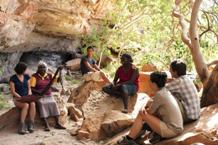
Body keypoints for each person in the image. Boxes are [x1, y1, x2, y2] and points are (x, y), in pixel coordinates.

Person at [117, 71, 183, 145]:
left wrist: (143, 107)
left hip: (171, 130)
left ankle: (129, 139)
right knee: (145, 118)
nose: (149, 84)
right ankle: (133, 136)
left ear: (154, 84)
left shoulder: (159, 95)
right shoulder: (164, 91)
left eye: (150, 82)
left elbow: (149, 112)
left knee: (141, 113)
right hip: (177, 128)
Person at [30, 61, 66, 131]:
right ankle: (46, 125)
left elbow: (58, 80)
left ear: (46, 68)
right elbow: (31, 88)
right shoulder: (34, 77)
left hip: (49, 95)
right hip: (39, 96)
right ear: (38, 69)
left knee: (53, 103)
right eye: (40, 68)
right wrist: (38, 92)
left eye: (44, 67)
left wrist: (60, 71)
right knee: (42, 104)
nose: (42, 69)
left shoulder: (49, 75)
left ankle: (57, 124)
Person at [9, 62, 36, 134]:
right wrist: (20, 97)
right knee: (26, 105)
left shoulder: (26, 76)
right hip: (17, 98)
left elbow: (29, 88)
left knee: (33, 103)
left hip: (26, 97)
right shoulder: (13, 78)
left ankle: (31, 124)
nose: (26, 70)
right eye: (25, 69)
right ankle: (21, 126)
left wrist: (29, 92)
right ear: (21, 69)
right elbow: (13, 92)